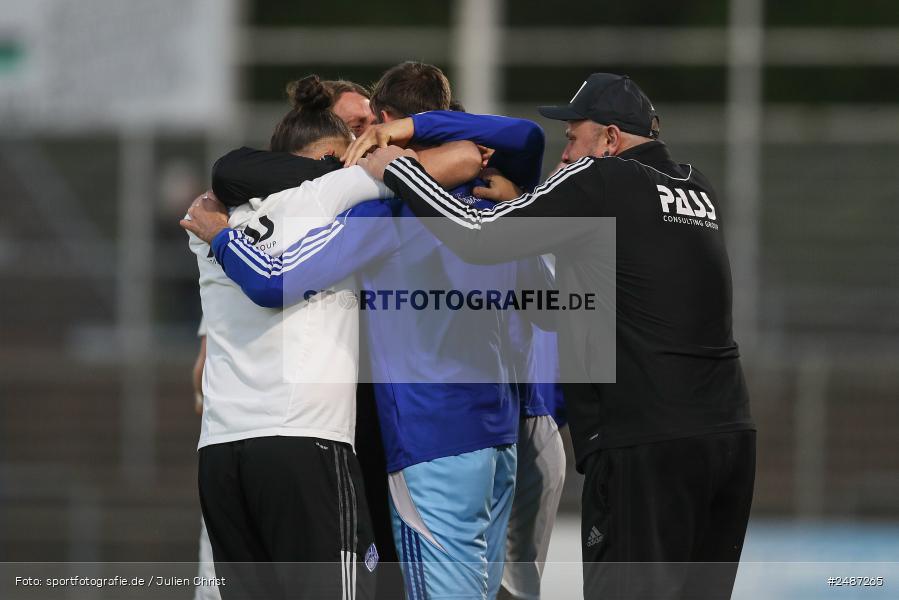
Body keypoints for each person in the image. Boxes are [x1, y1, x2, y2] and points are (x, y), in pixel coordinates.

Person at [358, 73, 757, 600]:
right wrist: (527, 210)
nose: (564, 154)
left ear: (609, 139)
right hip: (729, 439)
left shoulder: (599, 177)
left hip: (647, 445)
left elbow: (476, 237)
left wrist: (402, 168)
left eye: (572, 137)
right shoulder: (696, 187)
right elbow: (574, 304)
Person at [190, 61, 548, 600]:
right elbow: (519, 138)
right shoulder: (491, 184)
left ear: (383, 125)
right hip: (494, 434)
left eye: (367, 129)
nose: (361, 145)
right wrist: (415, 137)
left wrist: (220, 234)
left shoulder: (378, 213)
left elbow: (266, 274)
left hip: (422, 441)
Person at [180, 75, 400, 600]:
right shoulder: (330, 194)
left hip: (221, 453)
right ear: (330, 155)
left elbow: (229, 169)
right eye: (355, 139)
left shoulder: (214, 215)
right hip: (304, 441)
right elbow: (410, 173)